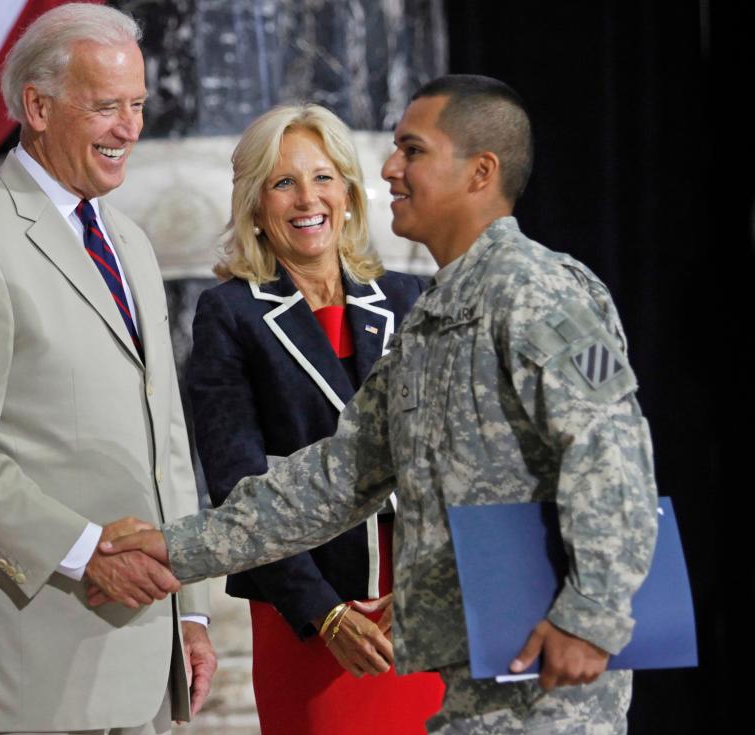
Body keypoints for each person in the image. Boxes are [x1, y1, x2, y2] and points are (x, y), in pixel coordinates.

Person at [102, 75, 659, 733]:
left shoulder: (541, 293)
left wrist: (591, 617)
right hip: (460, 694)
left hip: (547, 689)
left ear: (480, 172)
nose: (389, 169)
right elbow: (334, 479)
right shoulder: (428, 322)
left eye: (413, 151)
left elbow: (615, 464)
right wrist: (174, 547)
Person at [0, 4, 214, 734]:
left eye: (135, 105)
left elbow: (163, 432)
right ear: (37, 107)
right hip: (29, 663)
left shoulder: (128, 242)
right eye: (106, 106)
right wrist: (85, 551)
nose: (130, 129)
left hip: (142, 653)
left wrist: (191, 606)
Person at [186, 104, 444, 733]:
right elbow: (237, 489)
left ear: (350, 194)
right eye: (283, 182)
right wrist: (323, 613)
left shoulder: (410, 299)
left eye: (324, 177)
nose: (309, 198)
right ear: (255, 203)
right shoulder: (229, 314)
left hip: (417, 609)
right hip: (309, 616)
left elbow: (447, 460)